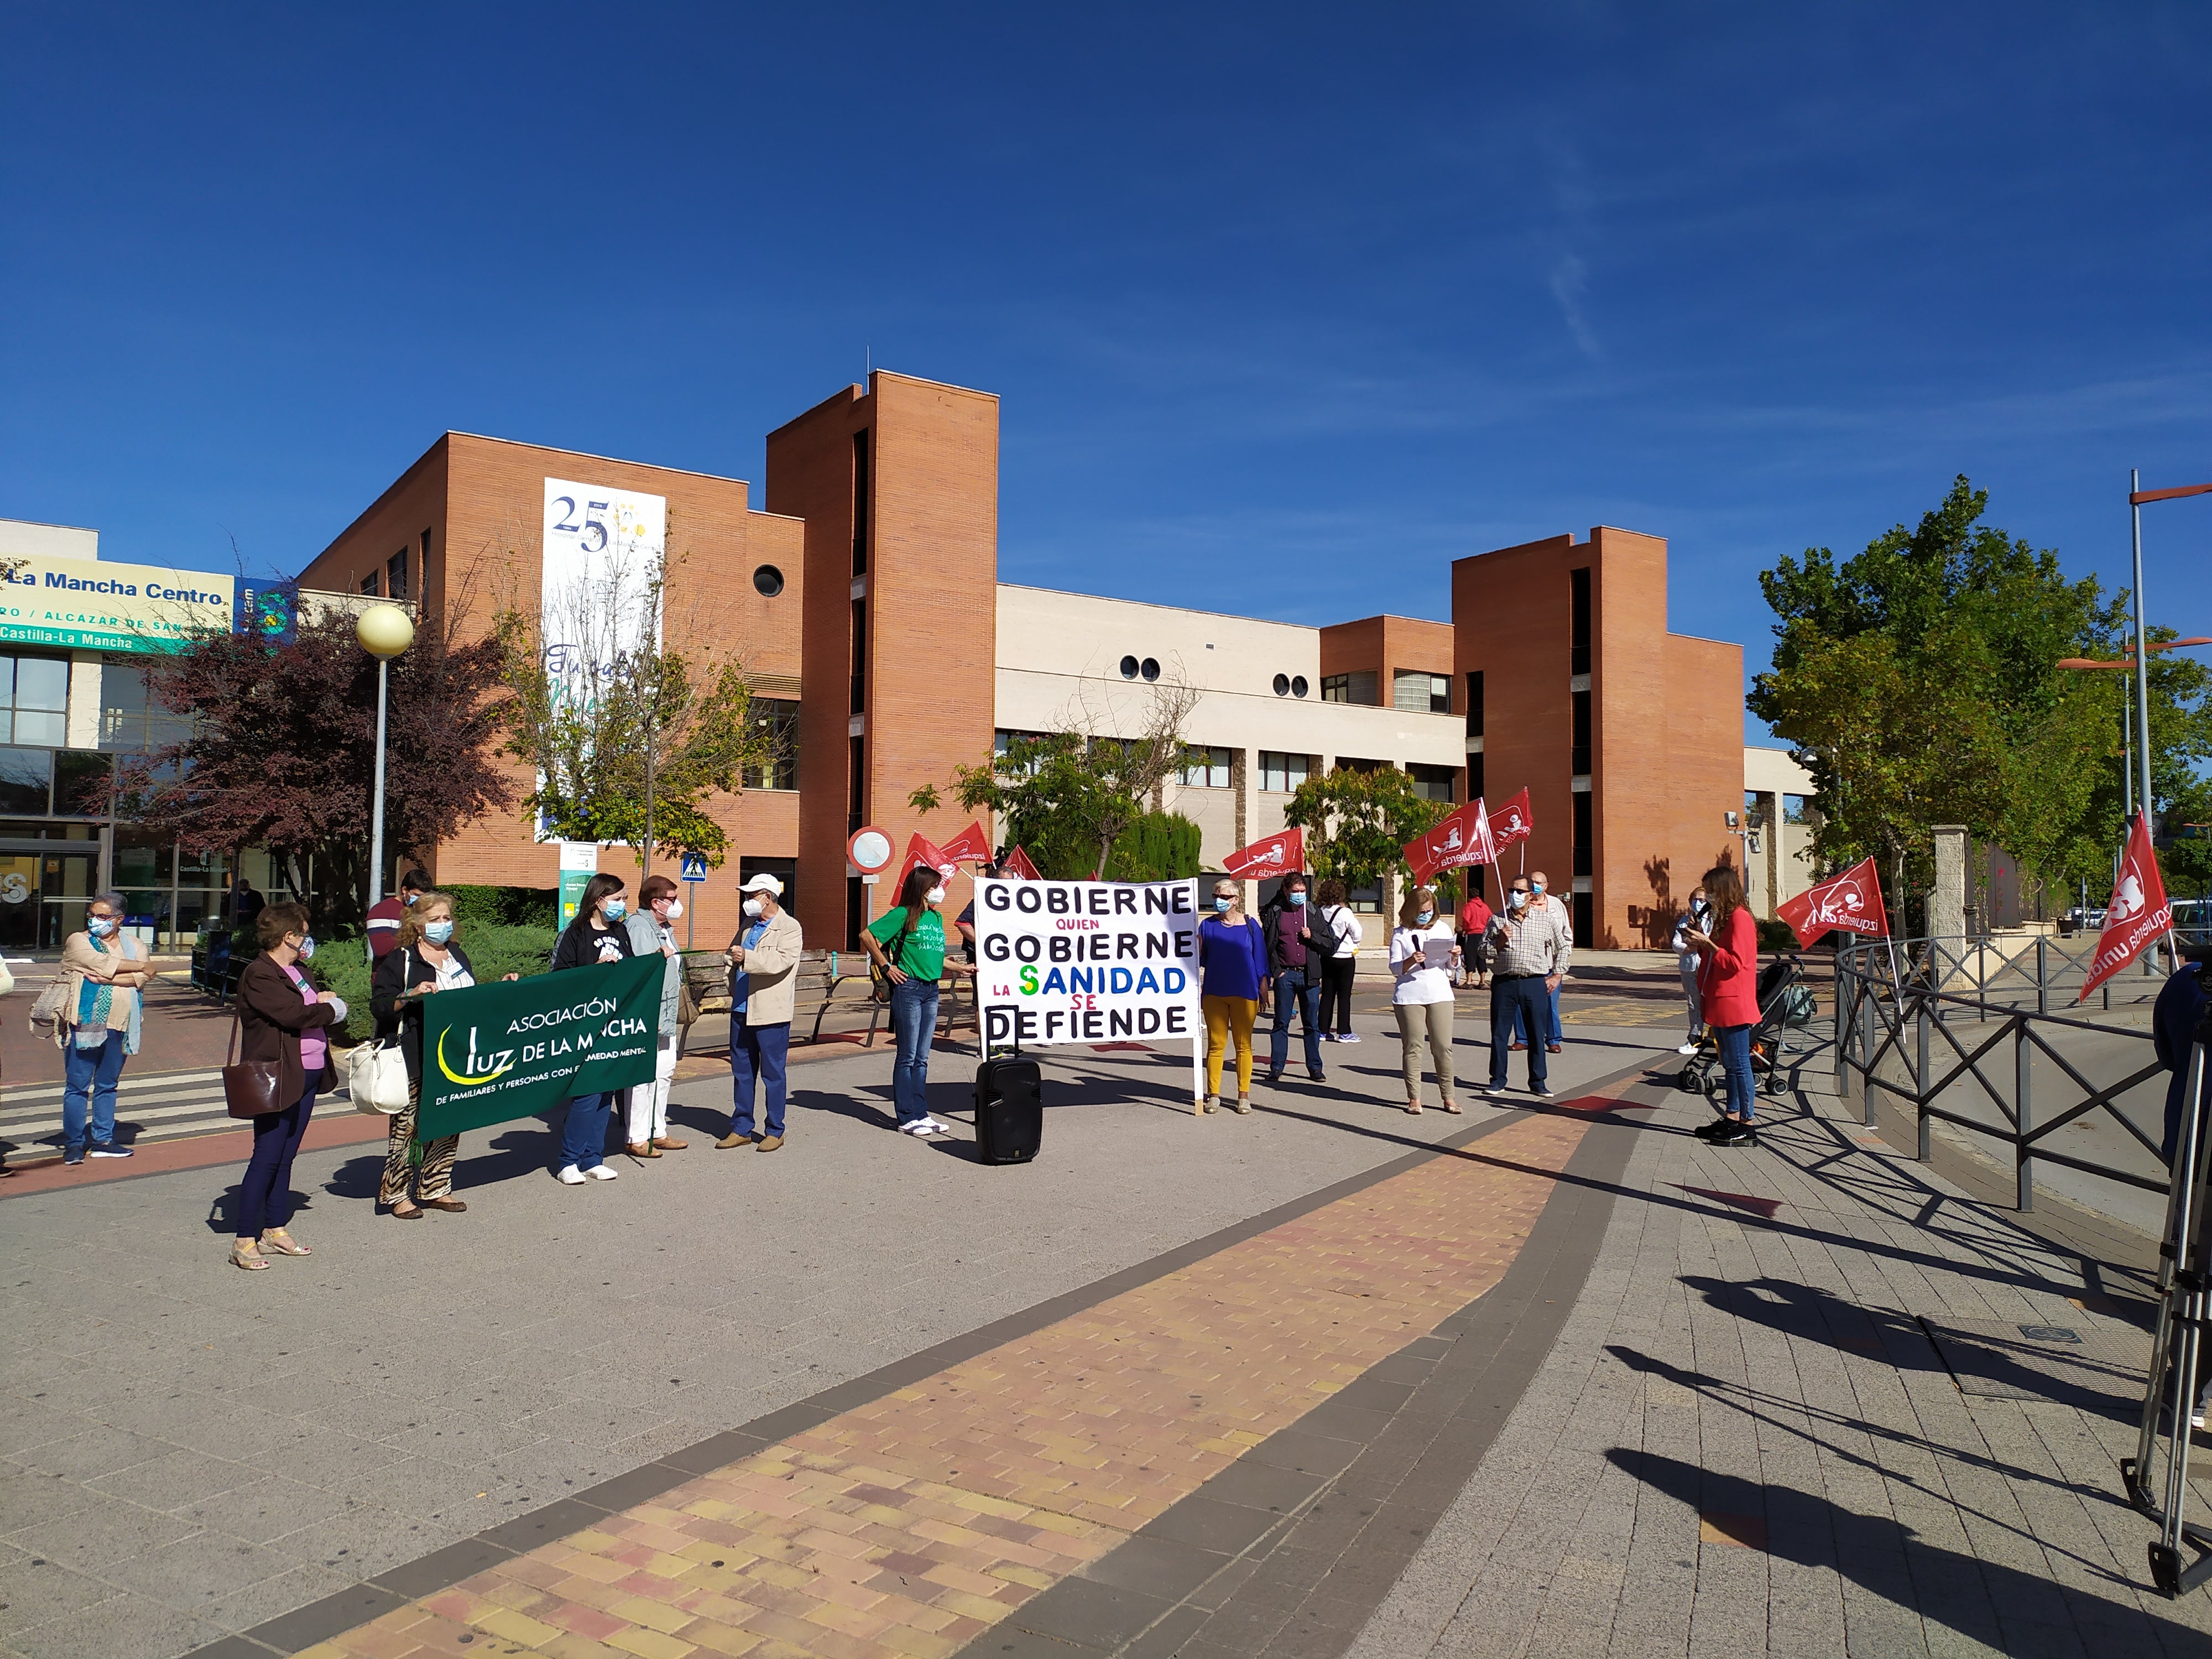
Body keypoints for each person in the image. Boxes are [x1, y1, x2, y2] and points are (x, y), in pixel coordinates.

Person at [369, 889, 518, 1218]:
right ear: (418, 925)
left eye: (447, 918)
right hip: (415, 1055)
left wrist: (500, 986)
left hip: (454, 1055)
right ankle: (396, 1195)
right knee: (407, 1127)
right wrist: (410, 995)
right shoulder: (402, 960)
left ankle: (435, 1186)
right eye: (434, 920)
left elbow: (470, 999)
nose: (442, 925)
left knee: (449, 1122)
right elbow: (380, 1006)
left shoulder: (457, 955)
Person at [229, 902, 346, 1269]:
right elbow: (293, 1014)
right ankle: (245, 1238)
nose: (308, 940)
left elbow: (308, 1005)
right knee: (267, 1156)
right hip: (277, 1075)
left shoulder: (300, 971)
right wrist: (333, 1009)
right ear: (288, 936)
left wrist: (324, 1002)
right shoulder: (260, 974)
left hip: (309, 1071)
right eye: (304, 933)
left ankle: (275, 1228)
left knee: (286, 1155)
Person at [863, 866, 976, 1136]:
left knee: (923, 1058)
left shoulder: (936, 918)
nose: (940, 890)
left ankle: (921, 1113)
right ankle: (905, 1116)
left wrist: (960, 968)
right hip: (909, 989)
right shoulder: (903, 914)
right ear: (923, 888)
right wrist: (887, 966)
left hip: (931, 990)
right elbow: (867, 936)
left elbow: (933, 956)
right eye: (935, 885)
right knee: (908, 1056)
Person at [58, 892, 154, 1165]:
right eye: (91, 915)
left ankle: (103, 1139)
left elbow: (141, 980)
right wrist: (137, 969)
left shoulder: (135, 944)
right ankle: (75, 1144)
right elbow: (102, 964)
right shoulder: (79, 940)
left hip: (122, 1024)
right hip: (84, 1024)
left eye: (101, 916)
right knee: (77, 1086)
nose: (93, 921)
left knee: (108, 1085)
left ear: (119, 919)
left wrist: (109, 979)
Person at [548, 874, 633, 1182]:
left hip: (615, 1023)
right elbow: (558, 977)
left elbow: (633, 970)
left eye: (625, 899)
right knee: (586, 1092)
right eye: (618, 899)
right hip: (583, 1024)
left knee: (605, 1092)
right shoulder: (574, 933)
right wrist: (593, 972)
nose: (623, 905)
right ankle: (568, 1161)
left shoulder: (621, 931)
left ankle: (593, 1157)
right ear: (599, 900)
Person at [720, 873, 803, 1150]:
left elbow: (780, 962)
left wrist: (748, 958)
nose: (747, 901)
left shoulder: (789, 927)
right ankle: (742, 1127)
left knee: (773, 1075)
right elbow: (733, 955)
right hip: (742, 1009)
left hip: (771, 1013)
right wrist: (729, 973)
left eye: (752, 896)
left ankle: (775, 1130)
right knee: (742, 1073)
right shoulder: (747, 925)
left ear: (768, 897)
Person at [1685, 864, 1760, 1146]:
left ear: (1724, 890)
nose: (1709, 899)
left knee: (1740, 1064)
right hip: (1719, 998)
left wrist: (1709, 944)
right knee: (1728, 1063)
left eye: (1712, 892)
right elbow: (1715, 956)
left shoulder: (1741, 919)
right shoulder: (1724, 920)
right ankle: (1731, 1117)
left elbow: (1736, 963)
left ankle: (1747, 1124)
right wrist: (1700, 941)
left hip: (1734, 1001)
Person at [1483, 873, 1571, 1099]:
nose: (1515, 895)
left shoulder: (1545, 920)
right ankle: (1497, 1080)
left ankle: (1538, 1081)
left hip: (1535, 981)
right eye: (1512, 891)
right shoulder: (1497, 920)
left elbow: (1563, 947)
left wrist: (1557, 975)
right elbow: (1482, 951)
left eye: (1520, 892)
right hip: (1505, 982)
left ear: (1531, 895)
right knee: (1500, 1035)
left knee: (1535, 1032)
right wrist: (1500, 941)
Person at [622, 875, 688, 1157]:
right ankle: (636, 1136)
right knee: (642, 1076)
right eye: (671, 899)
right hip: (647, 1013)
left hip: (667, 1012)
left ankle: (656, 1131)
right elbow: (640, 968)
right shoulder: (638, 926)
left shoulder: (665, 927)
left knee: (664, 1072)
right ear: (655, 902)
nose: (676, 904)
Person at [1197, 878, 1270, 1114]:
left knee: (1243, 1045)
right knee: (1216, 1045)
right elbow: (1200, 959)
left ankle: (1243, 1096)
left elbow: (1261, 959)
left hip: (1245, 993)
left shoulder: (1251, 926)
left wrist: (1264, 987)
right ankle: (1214, 1095)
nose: (1219, 900)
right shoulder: (1207, 926)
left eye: (1225, 897)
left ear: (1236, 900)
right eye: (1216, 895)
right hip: (1214, 993)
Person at [1390, 885, 1460, 1115]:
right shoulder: (1401, 933)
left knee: (1443, 1047)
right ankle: (1415, 1098)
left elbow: (1450, 967)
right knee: (1413, 1047)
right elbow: (1395, 968)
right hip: (1410, 995)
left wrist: (1454, 958)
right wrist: (1411, 960)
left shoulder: (1441, 928)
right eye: (1421, 910)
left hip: (1439, 992)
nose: (1426, 914)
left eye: (1430, 910)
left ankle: (1449, 1097)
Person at [1260, 873, 1326, 1084]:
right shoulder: (1276, 912)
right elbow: (1267, 944)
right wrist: (1276, 970)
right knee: (1281, 1022)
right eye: (1295, 892)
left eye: (1303, 892)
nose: (1299, 895)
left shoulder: (1314, 912)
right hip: (1285, 975)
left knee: (1311, 1024)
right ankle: (1277, 1066)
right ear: (1286, 891)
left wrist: (1312, 936)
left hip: (1309, 975)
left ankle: (1315, 1067)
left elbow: (1330, 943)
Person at [2156, 948, 2211, 1170]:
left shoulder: (2185, 979)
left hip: (2186, 1138)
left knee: (2185, 1202)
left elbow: (2167, 1057)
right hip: (2192, 1144)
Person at [1509, 870, 1569, 1053]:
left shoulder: (1556, 905)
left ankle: (1553, 1039)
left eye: (1538, 882)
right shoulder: (1516, 906)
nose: (1535, 885)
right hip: (1525, 965)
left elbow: (1566, 936)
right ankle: (1523, 1038)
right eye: (1532, 882)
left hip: (1549, 965)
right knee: (1520, 1004)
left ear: (1546, 886)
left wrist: (1561, 966)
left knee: (1550, 1004)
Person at [1314, 880, 1363, 1043]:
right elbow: (1358, 933)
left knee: (1327, 994)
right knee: (1344, 996)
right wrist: (1354, 942)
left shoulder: (1320, 911)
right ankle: (1344, 1032)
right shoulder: (1345, 912)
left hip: (1327, 956)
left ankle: (1322, 1030)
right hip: (1345, 957)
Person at [1671, 884, 1713, 1056]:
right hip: (1688, 966)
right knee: (1693, 1003)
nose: (1698, 902)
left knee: (1710, 1002)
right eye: (1695, 899)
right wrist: (1691, 946)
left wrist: (1697, 942)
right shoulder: (1684, 921)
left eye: (1702, 900)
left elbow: (1709, 942)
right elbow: (1676, 943)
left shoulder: (1712, 922)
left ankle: (1717, 1037)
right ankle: (1695, 1038)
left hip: (1708, 966)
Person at [366, 868, 430, 961]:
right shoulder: (381, 910)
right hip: (390, 972)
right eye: (417, 895)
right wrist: (412, 938)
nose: (420, 900)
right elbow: (381, 949)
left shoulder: (425, 910)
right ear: (404, 890)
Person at [1457, 881, 1494, 990]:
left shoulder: (1469, 906)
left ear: (1469, 896)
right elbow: (1491, 918)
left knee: (1470, 956)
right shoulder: (1485, 907)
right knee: (1481, 957)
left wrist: (1465, 929)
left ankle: (1469, 981)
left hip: (1472, 933)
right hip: (1483, 934)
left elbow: (1466, 919)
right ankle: (1482, 981)